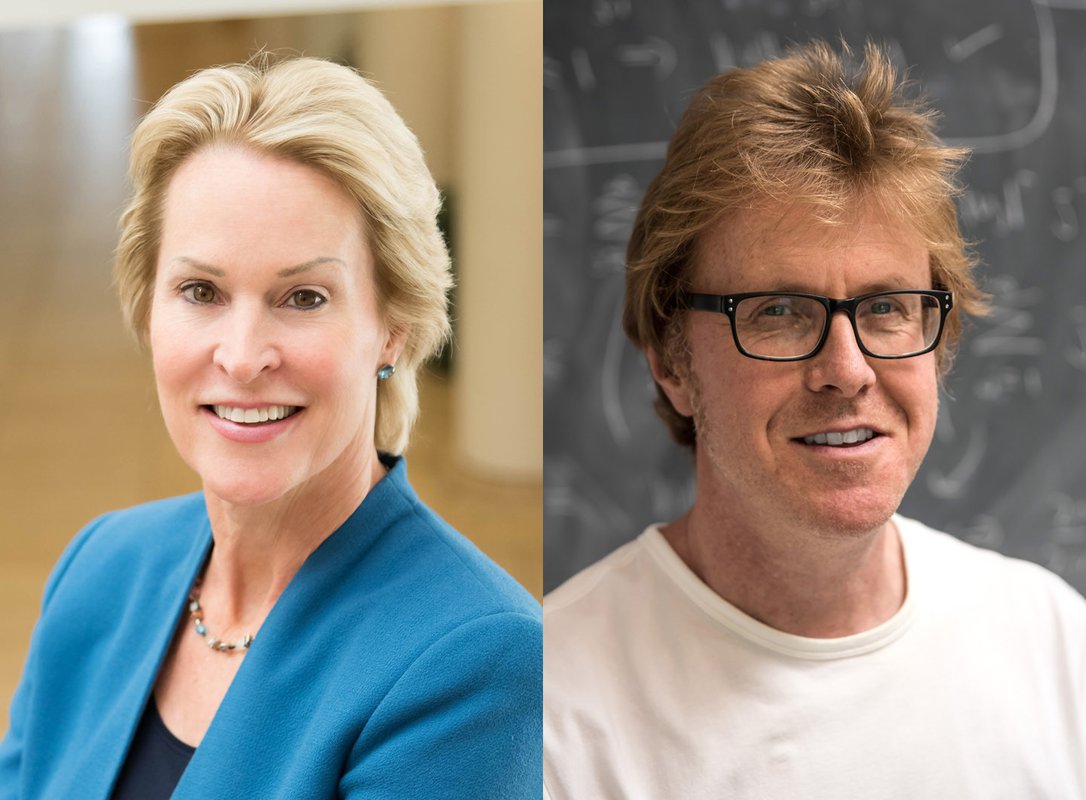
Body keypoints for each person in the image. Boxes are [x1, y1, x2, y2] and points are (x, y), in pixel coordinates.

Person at [544, 41, 1086, 799]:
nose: (848, 370)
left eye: (888, 309)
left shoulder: (1056, 649)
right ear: (672, 362)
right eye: (779, 313)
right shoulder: (548, 709)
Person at [0, 56, 541, 799]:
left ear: (393, 326)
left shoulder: (479, 661)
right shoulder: (100, 568)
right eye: (201, 290)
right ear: (147, 309)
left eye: (304, 297)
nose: (244, 356)